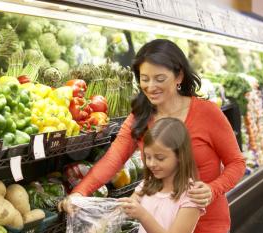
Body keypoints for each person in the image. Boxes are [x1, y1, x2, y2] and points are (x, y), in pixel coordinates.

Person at [59, 39, 246, 233]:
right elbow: (114, 158)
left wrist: (212, 189)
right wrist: (81, 192)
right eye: (144, 78)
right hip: (158, 224)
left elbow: (237, 162)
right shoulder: (140, 116)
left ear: (179, 76)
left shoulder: (207, 113)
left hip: (207, 223)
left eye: (160, 78)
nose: (150, 86)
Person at [119, 117, 204, 233]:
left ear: (179, 156)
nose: (152, 164)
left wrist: (143, 215)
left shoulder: (191, 196)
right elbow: (124, 209)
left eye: (160, 158)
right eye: (148, 157)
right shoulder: (147, 185)